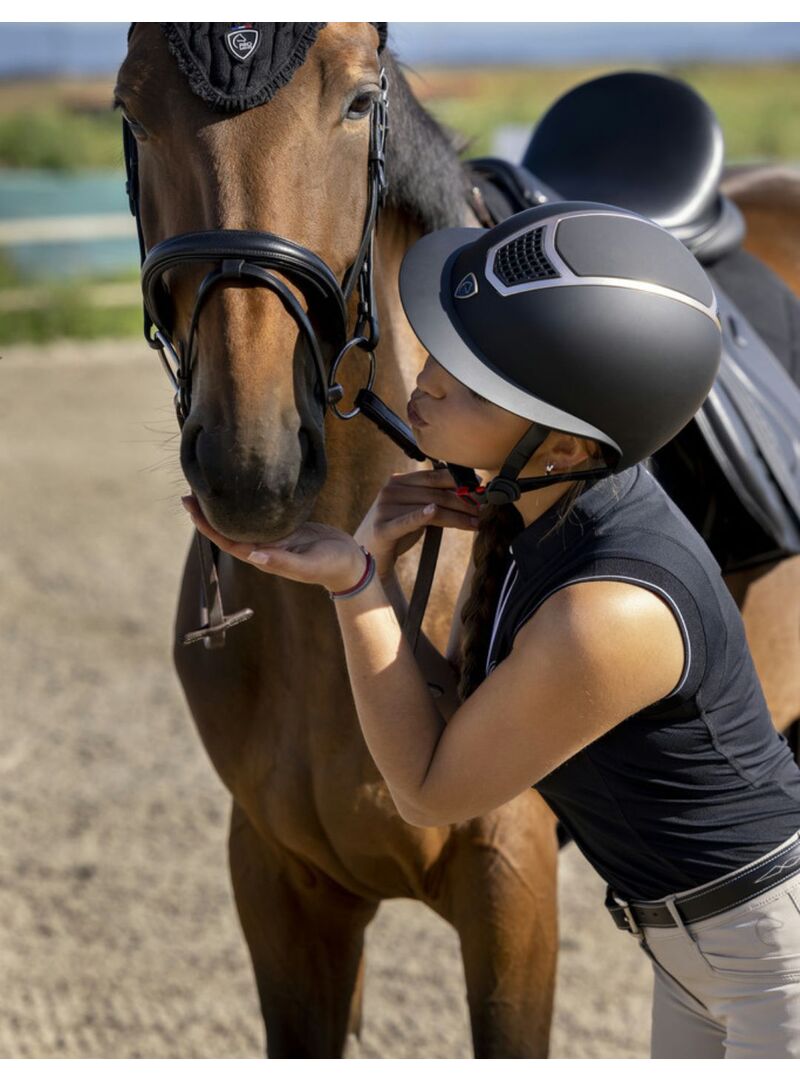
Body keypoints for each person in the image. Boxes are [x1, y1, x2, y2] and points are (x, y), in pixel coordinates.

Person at [182, 202, 800, 1058]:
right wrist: (370, 563)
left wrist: (359, 585)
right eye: (439, 353)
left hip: (770, 965)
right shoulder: (536, 518)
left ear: (564, 449)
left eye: (472, 383)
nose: (425, 382)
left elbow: (433, 790)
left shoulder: (607, 609)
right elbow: (466, 710)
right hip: (701, 954)